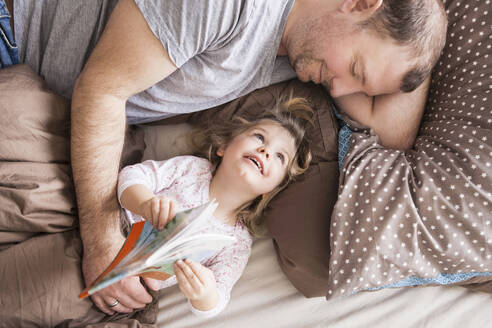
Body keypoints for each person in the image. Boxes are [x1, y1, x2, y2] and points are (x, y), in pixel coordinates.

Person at [2, 0, 447, 315]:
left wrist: (423, 28)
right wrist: (103, 244)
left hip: (39, 89)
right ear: (359, 4)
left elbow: (393, 134)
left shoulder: (302, 50)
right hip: (13, 34)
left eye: (360, 88)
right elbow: (101, 89)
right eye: (356, 71)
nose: (340, 92)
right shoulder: (231, 7)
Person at [106, 97, 312, 317]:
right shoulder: (193, 170)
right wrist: (145, 203)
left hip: (137, 288)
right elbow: (132, 175)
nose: (265, 151)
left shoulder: (236, 244)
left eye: (280, 156)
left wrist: (204, 294)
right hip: (113, 229)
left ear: (270, 190)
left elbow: (219, 298)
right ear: (224, 146)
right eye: (259, 137)